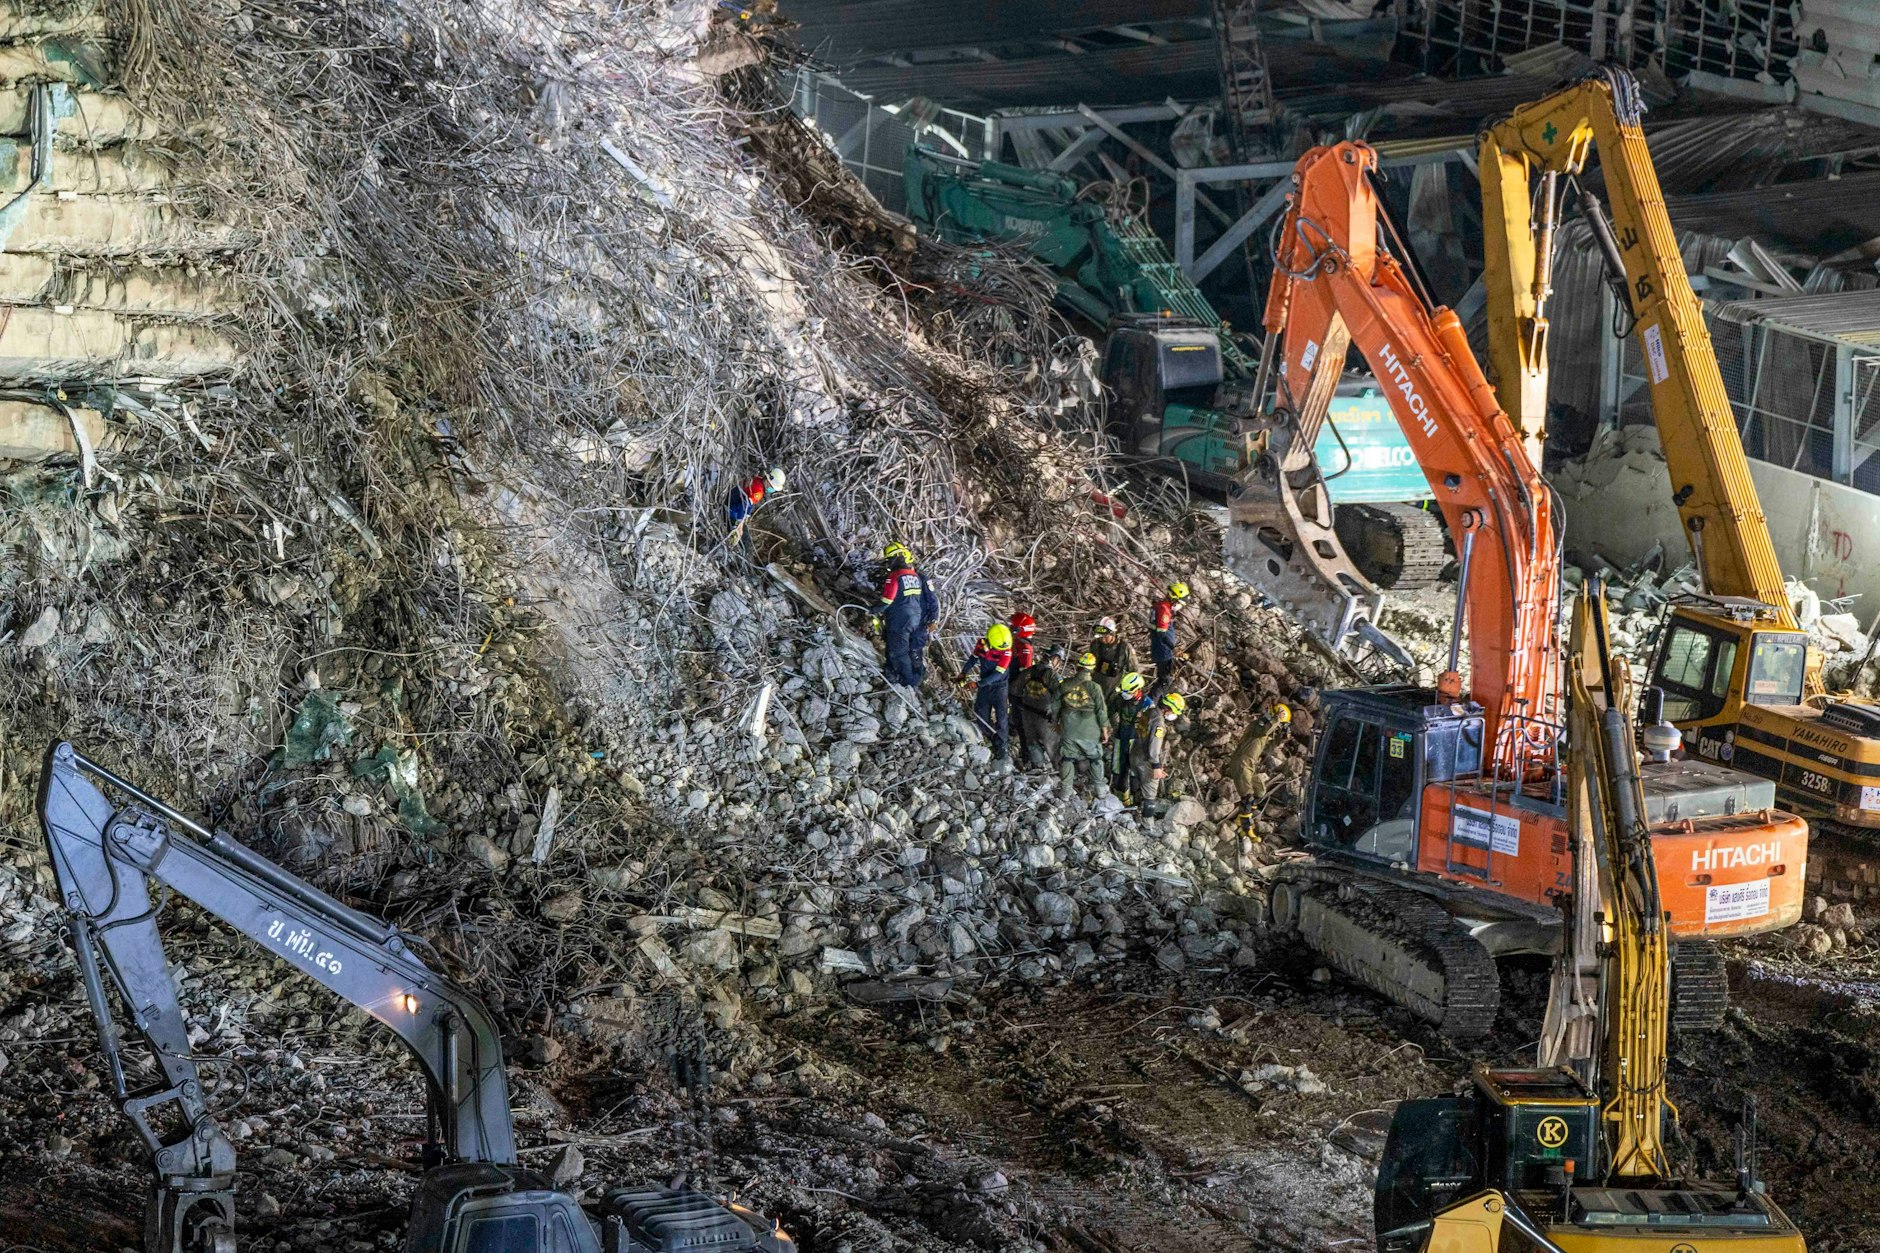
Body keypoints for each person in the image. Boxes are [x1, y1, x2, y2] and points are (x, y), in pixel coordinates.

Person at [876, 542, 938, 688]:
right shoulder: (895, 577)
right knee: (896, 648)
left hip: (919, 622)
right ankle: (896, 673)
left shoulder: (921, 578)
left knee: (914, 651)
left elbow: (932, 600)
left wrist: (933, 619)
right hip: (900, 620)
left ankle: (915, 679)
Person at [1228, 701, 1290, 839]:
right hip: (1242, 763)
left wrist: (1281, 739)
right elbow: (1264, 730)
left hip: (1250, 766)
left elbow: (1267, 748)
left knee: (1259, 792)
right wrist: (1277, 719)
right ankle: (1246, 829)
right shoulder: (1258, 726)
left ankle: (1241, 817)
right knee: (1248, 797)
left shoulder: (1264, 735)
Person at [1053, 652, 1110, 797]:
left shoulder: (1065, 684)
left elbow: (1055, 705)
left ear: (1078, 667)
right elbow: (1101, 710)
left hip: (1069, 727)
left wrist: (1055, 722)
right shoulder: (1094, 687)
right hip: (1089, 729)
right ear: (1092, 669)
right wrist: (1104, 729)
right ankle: (1100, 791)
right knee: (1095, 758)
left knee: (1067, 758)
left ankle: (1065, 791)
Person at [1011, 620, 1061, 768]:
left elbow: (1014, 690)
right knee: (1053, 746)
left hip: (1026, 715)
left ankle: (1036, 768)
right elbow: (1061, 696)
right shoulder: (1052, 676)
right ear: (1055, 659)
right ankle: (1061, 774)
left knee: (1032, 743)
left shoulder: (1029, 671)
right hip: (1044, 717)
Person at [962, 622, 1014, 758]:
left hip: (1000, 687)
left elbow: (998, 673)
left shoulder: (1007, 651)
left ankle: (1002, 745)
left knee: (1002, 717)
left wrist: (978, 684)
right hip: (984, 686)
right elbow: (973, 658)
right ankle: (988, 736)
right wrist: (963, 673)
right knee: (981, 713)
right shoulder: (982, 644)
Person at [1131, 690, 1187, 815]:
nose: (1173, 715)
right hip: (1146, 760)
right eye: (1174, 712)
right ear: (1168, 709)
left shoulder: (1149, 712)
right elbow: (1154, 746)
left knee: (1136, 779)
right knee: (1150, 793)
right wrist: (1156, 766)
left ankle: (1132, 807)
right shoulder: (1159, 723)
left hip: (1135, 752)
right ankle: (1147, 825)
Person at [727, 467, 785, 559]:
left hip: (732, 504)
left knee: (743, 536)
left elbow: (748, 502)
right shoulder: (758, 491)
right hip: (732, 510)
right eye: (772, 487)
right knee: (739, 537)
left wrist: (747, 515)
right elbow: (744, 504)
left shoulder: (757, 480)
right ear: (768, 482)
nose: (772, 490)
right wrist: (740, 523)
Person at [1108, 671, 1149, 796]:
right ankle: (1117, 790)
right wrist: (1110, 727)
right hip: (1121, 735)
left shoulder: (1146, 704)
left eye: (1127, 692)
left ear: (1137, 690)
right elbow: (1109, 712)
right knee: (1118, 765)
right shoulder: (1120, 699)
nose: (1124, 694)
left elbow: (1150, 726)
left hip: (1137, 739)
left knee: (1134, 769)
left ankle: (1134, 795)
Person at [1149, 581, 1189, 695]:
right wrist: (1173, 648)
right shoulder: (1164, 610)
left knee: (1165, 679)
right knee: (1165, 681)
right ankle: (1150, 705)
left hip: (1161, 648)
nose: (1180, 606)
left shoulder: (1161, 606)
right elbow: (1162, 633)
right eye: (1180, 603)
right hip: (1163, 651)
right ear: (1175, 599)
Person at [1091, 617, 1136, 697]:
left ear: (1112, 634)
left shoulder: (1124, 647)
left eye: (1105, 636)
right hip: (1094, 687)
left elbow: (1133, 670)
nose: (1103, 639)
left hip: (1113, 692)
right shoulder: (1095, 644)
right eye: (1100, 636)